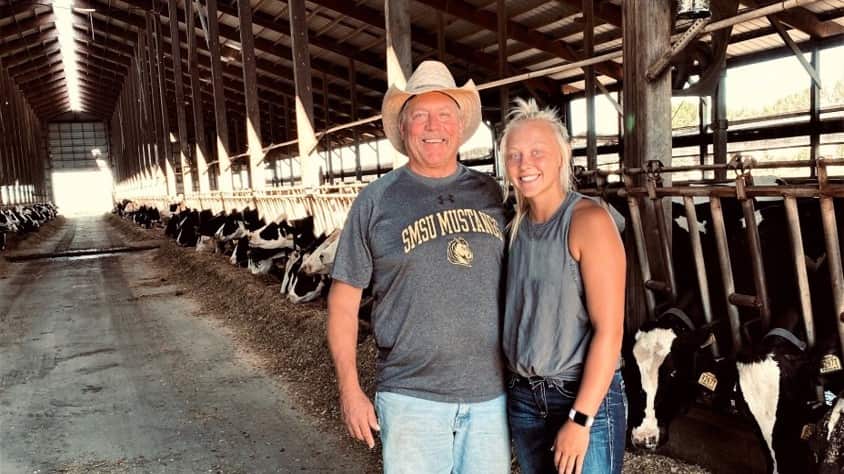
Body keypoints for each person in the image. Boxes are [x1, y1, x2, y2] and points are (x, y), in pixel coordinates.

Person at [326, 60, 510, 474]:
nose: (433, 126)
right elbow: (342, 303)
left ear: (459, 126)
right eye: (420, 115)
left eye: (444, 114)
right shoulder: (375, 201)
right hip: (411, 396)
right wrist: (350, 390)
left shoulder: (492, 193)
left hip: (490, 396)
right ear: (403, 127)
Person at [500, 98, 627, 474]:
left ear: (561, 157)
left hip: (578, 393)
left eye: (538, 152)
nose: (525, 164)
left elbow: (610, 330)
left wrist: (581, 418)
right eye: (514, 155)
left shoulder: (588, 221)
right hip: (524, 396)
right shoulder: (513, 229)